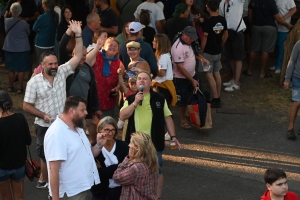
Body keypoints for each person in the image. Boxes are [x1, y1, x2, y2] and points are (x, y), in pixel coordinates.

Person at [23, 20, 82, 189]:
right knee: (44, 154)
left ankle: (59, 180)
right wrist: (42, 115)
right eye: (51, 64)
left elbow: (78, 56)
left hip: (63, 123)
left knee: (65, 152)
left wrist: (77, 34)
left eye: (56, 63)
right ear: (42, 65)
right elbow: (26, 105)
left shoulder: (62, 71)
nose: (55, 66)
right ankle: (45, 178)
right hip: (44, 124)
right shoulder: (34, 82)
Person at [120, 71, 182, 199]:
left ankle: (156, 196)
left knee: (157, 171)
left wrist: (173, 136)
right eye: (139, 79)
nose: (141, 81)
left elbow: (168, 118)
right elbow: (122, 115)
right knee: (134, 171)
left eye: (145, 79)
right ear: (136, 83)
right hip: (135, 145)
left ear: (150, 82)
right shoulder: (131, 99)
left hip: (154, 144)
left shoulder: (159, 98)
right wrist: (135, 103)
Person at [44, 96, 102, 200]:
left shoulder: (78, 127)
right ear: (72, 111)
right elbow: (53, 170)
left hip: (84, 187)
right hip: (71, 193)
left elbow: (87, 154)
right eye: (82, 110)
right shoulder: (56, 133)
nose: (86, 113)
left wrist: (99, 145)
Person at [171, 26, 209, 129]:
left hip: (192, 74)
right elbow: (180, 68)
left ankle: (191, 112)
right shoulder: (177, 47)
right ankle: (183, 120)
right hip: (181, 78)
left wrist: (201, 58)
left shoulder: (189, 43)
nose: (192, 40)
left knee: (196, 94)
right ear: (184, 35)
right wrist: (192, 80)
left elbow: (192, 54)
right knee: (182, 100)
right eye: (191, 38)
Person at [244, 0, 293, 78]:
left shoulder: (253, 1)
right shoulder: (271, 2)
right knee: (265, 50)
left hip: (256, 26)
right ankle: (262, 72)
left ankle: (249, 70)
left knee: (253, 49)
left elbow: (249, 14)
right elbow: (278, 18)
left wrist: (251, 24)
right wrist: (287, 25)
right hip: (269, 27)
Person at [0, 90, 32, 200]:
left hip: (2, 167)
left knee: (6, 197)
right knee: (19, 196)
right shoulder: (20, 117)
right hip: (19, 165)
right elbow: (28, 141)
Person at [90, 117, 129, 200]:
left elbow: (127, 171)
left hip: (121, 192)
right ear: (100, 130)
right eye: (107, 130)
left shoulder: (123, 146)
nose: (110, 133)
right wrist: (118, 166)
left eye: (113, 130)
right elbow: (94, 174)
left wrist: (103, 170)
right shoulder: (94, 148)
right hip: (100, 193)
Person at [113, 132, 158, 200]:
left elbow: (117, 177)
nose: (129, 145)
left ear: (137, 147)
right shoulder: (153, 160)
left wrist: (128, 159)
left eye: (131, 143)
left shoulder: (135, 168)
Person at [86, 37, 125, 118]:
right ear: (103, 47)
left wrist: (117, 88)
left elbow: (121, 81)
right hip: (93, 98)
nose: (113, 47)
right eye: (110, 45)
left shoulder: (119, 63)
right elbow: (86, 62)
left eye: (115, 46)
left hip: (108, 100)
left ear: (118, 50)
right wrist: (97, 47)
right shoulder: (97, 56)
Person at [200, 0, 228, 108]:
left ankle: (215, 98)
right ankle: (218, 96)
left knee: (209, 74)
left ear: (208, 8)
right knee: (217, 73)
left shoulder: (209, 21)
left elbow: (205, 36)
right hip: (218, 51)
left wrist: (201, 50)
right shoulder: (222, 19)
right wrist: (221, 44)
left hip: (208, 51)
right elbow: (226, 34)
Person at [3, 2, 31, 94]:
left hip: (10, 47)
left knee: (11, 69)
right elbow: (28, 32)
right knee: (21, 69)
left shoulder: (6, 21)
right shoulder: (24, 23)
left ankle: (10, 86)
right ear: (20, 11)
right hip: (22, 48)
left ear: (11, 11)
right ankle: (19, 87)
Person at [218, 0, 245, 92]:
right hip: (228, 33)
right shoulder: (222, 3)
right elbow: (221, 18)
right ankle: (234, 79)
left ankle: (236, 83)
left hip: (237, 33)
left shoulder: (239, 1)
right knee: (231, 57)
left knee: (238, 58)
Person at [269, 0, 296, 74]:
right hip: (275, 27)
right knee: (277, 46)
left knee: (281, 47)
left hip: (283, 27)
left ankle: (279, 66)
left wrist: (283, 18)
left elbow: (294, 9)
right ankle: (277, 64)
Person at [152, 34, 177, 107]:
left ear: (159, 43)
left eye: (154, 41)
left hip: (163, 87)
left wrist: (150, 72)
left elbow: (162, 73)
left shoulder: (163, 56)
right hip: (161, 86)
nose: (152, 42)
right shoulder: (163, 55)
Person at [33, 0, 59, 66]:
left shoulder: (42, 17)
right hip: (51, 43)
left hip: (41, 44)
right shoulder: (56, 15)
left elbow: (34, 28)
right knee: (49, 63)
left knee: (40, 64)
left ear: (44, 6)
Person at [284, 40, 300, 140]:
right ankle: (290, 128)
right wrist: (287, 78)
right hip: (297, 77)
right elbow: (292, 60)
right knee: (297, 102)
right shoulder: (299, 43)